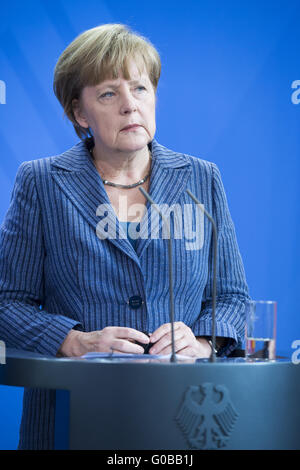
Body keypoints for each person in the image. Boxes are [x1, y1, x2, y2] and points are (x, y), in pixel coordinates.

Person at [0, 24, 250, 449]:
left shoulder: (202, 178)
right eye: (109, 94)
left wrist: (204, 340)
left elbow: (231, 297)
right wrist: (73, 340)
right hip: (71, 417)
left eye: (140, 88)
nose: (131, 106)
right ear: (81, 114)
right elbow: (7, 302)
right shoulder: (40, 182)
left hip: (181, 420)